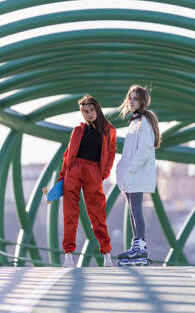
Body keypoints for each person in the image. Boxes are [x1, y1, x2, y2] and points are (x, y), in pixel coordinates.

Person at [58, 95, 116, 267]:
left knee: (97, 214)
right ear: (82, 113)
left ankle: (106, 254)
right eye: (85, 111)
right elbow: (67, 155)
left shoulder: (108, 130)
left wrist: (103, 173)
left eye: (91, 110)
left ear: (97, 109)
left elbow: (111, 153)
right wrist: (62, 177)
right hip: (73, 171)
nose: (89, 114)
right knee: (70, 214)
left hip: (93, 171)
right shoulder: (77, 130)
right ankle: (68, 255)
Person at [116, 85, 161, 265]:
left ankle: (140, 246)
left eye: (135, 98)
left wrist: (132, 168)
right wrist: (122, 167)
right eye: (130, 98)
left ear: (142, 101)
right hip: (130, 174)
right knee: (133, 211)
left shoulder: (144, 121)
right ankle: (137, 245)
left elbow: (145, 148)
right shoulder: (134, 122)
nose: (131, 101)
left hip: (136, 173)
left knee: (136, 210)